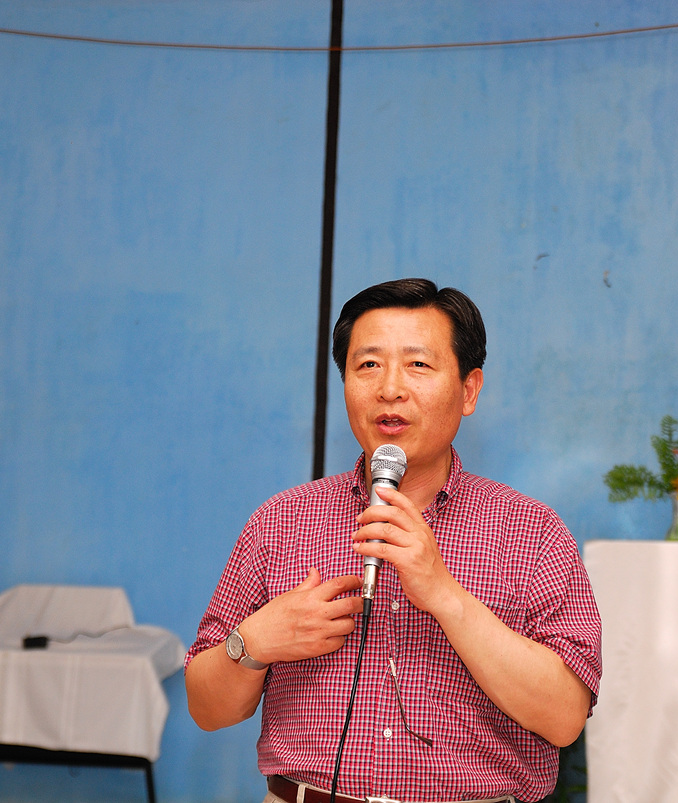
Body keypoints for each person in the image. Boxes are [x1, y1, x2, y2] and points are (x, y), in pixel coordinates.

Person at [184, 278, 601, 803]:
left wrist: (444, 593)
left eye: (418, 364)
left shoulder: (531, 531)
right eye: (368, 365)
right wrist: (254, 643)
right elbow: (206, 708)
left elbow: (565, 718)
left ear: (469, 390)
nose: (389, 389)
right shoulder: (281, 522)